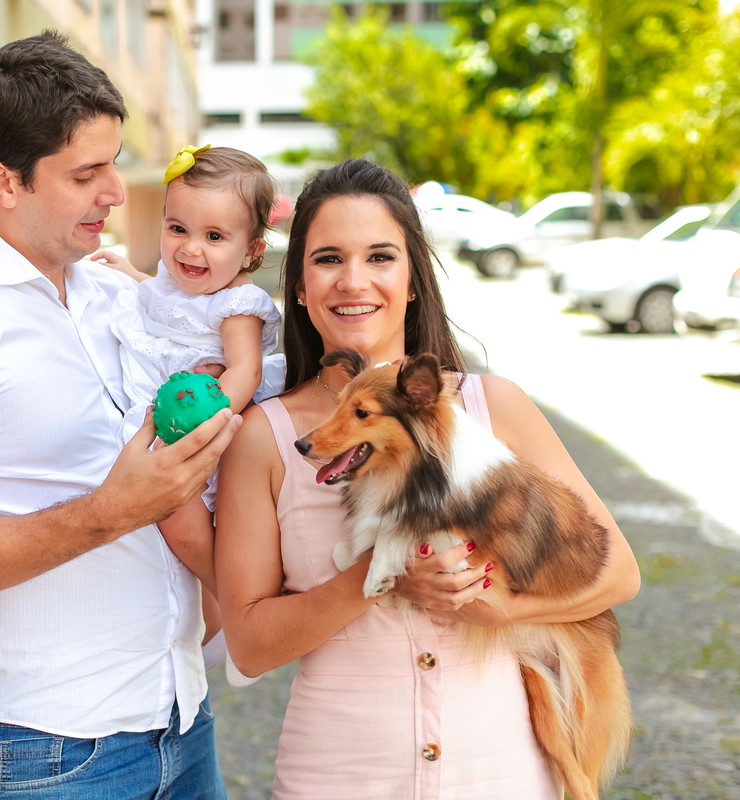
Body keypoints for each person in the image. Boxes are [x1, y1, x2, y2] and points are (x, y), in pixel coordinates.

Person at [0, 32, 238, 800]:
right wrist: (107, 513)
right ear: (4, 181)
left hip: (183, 721)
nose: (117, 192)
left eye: (114, 162)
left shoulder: (118, 294)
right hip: (49, 756)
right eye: (87, 172)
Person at [214, 159, 641, 798]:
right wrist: (377, 577)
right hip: (336, 777)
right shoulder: (265, 438)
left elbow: (619, 574)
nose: (353, 281)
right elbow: (247, 645)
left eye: (380, 257)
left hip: (503, 778)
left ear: (413, 279)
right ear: (299, 285)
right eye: (328, 259)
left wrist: (506, 611)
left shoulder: (493, 408)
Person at [91, 145, 285, 601]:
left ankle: (231, 596)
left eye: (215, 237)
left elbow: (246, 370)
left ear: (251, 250)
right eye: (177, 228)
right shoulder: (176, 279)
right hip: (164, 412)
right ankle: (211, 605)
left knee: (179, 519)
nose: (190, 248)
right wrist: (132, 275)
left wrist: (201, 425)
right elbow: (167, 307)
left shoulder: (238, 302)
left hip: (197, 423)